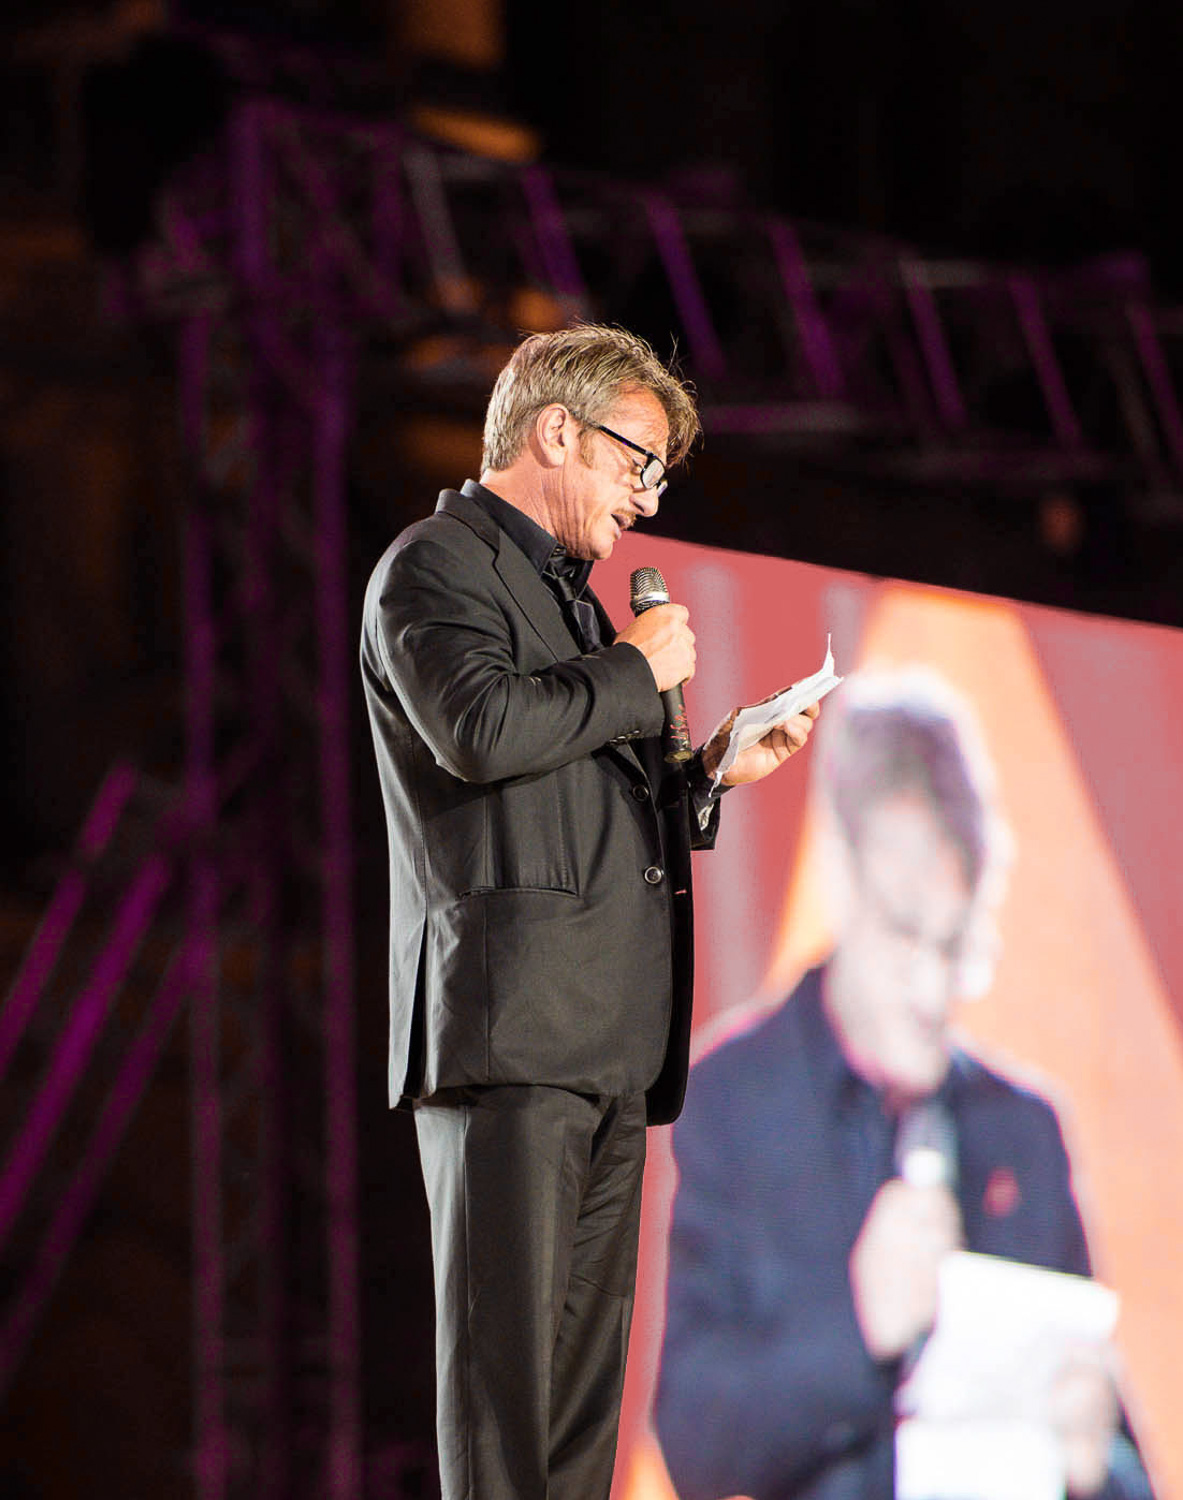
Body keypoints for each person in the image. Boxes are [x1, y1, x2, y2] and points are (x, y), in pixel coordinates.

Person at [359, 323, 819, 1500]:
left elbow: (571, 794)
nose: (646, 497)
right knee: (503, 1402)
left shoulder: (573, 605)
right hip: (509, 1034)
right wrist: (632, 672)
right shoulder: (434, 566)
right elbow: (478, 731)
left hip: (603, 1044)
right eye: (636, 461)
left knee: (575, 1421)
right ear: (555, 431)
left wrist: (706, 774)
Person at [655, 669, 1154, 1500]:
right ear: (842, 881)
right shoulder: (733, 1099)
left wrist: (1091, 1465)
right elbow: (693, 1446)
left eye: (954, 943)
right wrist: (859, 1327)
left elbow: (1126, 1463)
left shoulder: (1025, 1127)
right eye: (902, 933)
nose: (932, 991)